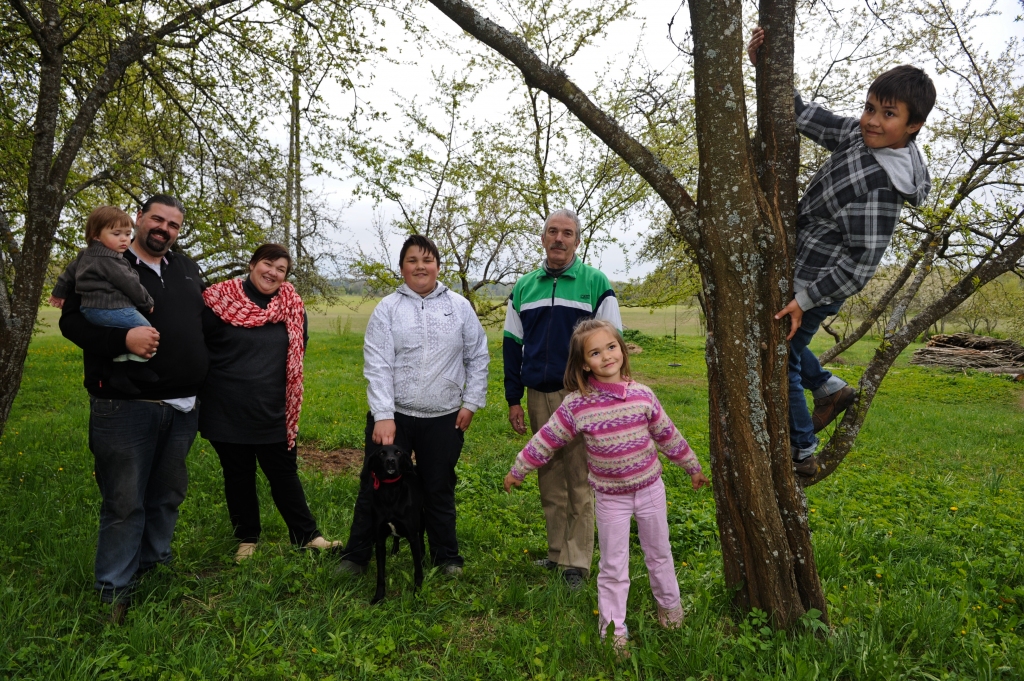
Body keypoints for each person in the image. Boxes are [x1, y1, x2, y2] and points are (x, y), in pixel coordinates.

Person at [748, 27, 935, 475]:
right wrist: (766, 71)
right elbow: (806, 116)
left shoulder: (882, 187)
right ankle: (829, 388)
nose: (872, 120)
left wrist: (805, 299)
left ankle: (803, 452)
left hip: (820, 283)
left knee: (784, 362)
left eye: (888, 114)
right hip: (802, 271)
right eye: (870, 108)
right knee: (784, 350)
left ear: (912, 126)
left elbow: (861, 266)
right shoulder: (860, 137)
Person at [504, 319, 709, 656]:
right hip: (611, 499)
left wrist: (692, 467)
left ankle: (670, 611)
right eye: (596, 352)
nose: (607, 356)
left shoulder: (643, 395)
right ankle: (614, 631)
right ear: (585, 363)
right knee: (613, 566)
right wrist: (519, 469)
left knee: (659, 553)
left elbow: (668, 435)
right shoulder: (576, 405)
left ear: (622, 350)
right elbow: (547, 439)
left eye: (611, 347)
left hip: (650, 491)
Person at [59, 194, 207, 623]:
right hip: (124, 404)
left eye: (174, 225)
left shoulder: (185, 267)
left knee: (167, 495)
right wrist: (122, 341)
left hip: (182, 406)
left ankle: (153, 566)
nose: (164, 229)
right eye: (156, 219)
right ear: (138, 219)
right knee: (125, 501)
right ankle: (114, 592)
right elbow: (72, 321)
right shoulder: (103, 258)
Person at [337, 234, 489, 577]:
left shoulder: (459, 307)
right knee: (374, 484)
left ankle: (446, 557)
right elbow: (377, 363)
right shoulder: (388, 309)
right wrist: (384, 415)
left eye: (428, 260)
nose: (420, 267)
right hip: (395, 419)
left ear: (438, 266)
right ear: (402, 268)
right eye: (412, 261)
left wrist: (471, 402)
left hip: (445, 417)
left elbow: (477, 356)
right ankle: (357, 555)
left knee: (438, 485)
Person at [503, 209, 621, 589]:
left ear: (576, 240)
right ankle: (556, 554)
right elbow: (511, 345)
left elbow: (612, 346)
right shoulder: (524, 287)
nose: (558, 239)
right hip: (537, 394)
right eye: (552, 231)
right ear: (542, 237)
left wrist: (605, 396)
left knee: (580, 479)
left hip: (581, 396)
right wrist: (513, 398)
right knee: (549, 476)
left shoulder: (595, 283)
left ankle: (577, 562)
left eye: (566, 233)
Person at [200, 244, 340, 562]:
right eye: (268, 264)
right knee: (238, 474)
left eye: (281, 269)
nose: (273, 272)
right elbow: (197, 346)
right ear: (252, 264)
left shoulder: (291, 303)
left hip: (273, 407)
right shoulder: (219, 300)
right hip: (226, 407)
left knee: (283, 473)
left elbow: (298, 348)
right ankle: (247, 539)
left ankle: (308, 536)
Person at [50, 206, 156, 394]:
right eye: (116, 234)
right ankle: (133, 369)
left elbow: (67, 275)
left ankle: (123, 373)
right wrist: (146, 303)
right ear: (96, 235)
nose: (124, 239)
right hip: (110, 309)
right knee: (148, 332)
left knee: (130, 334)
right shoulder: (109, 259)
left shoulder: (85, 254)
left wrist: (59, 293)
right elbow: (130, 284)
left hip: (91, 309)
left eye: (127, 233)